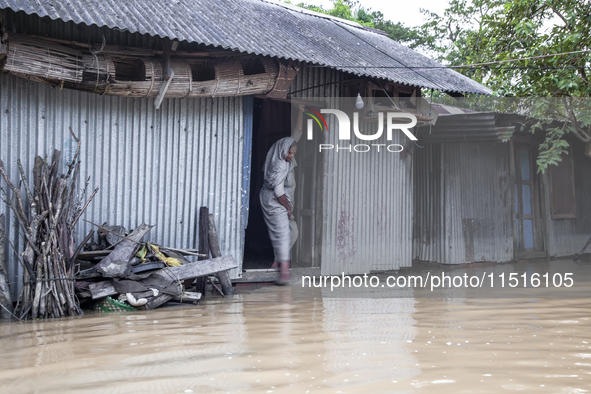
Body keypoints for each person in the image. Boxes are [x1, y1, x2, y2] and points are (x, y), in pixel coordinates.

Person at [259, 105, 303, 285]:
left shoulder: (286, 149)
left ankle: (277, 262)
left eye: (293, 153)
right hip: (274, 201)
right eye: (290, 153)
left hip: (283, 201)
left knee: (293, 232)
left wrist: (300, 112)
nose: (291, 156)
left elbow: (297, 134)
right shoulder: (278, 165)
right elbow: (278, 192)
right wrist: (288, 208)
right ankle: (284, 274)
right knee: (283, 234)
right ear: (283, 150)